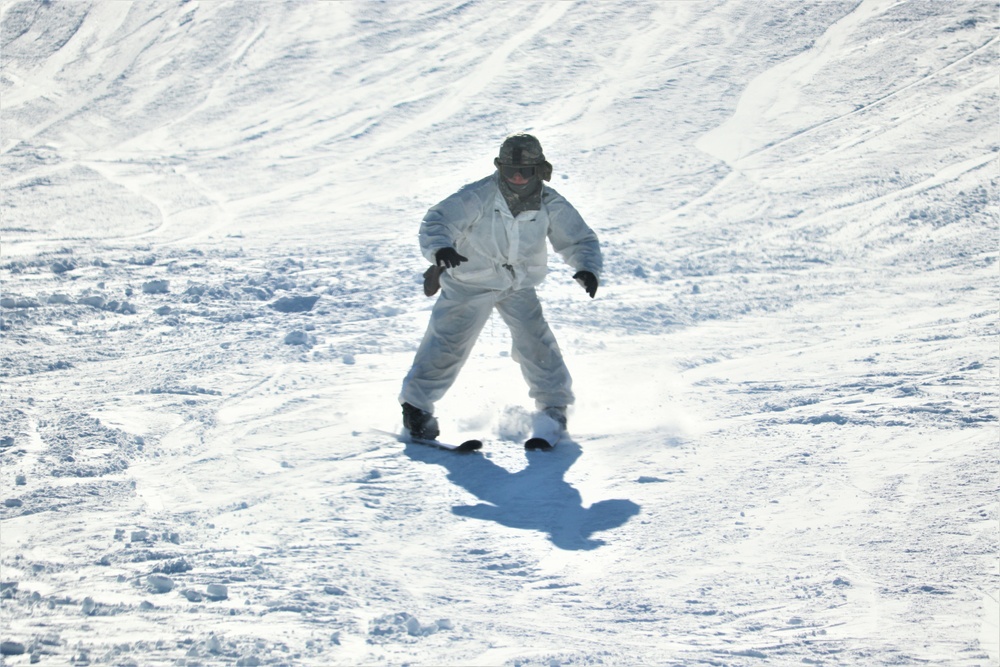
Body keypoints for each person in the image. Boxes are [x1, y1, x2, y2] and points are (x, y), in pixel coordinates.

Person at [399, 133, 602, 442]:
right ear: (499, 168)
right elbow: (437, 221)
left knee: (535, 341)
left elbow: (578, 238)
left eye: (525, 171)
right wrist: (440, 248)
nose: (517, 177)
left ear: (539, 170)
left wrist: (586, 267)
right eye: (509, 170)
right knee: (448, 343)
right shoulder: (478, 196)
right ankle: (416, 409)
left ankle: (553, 409)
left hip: (518, 284)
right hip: (470, 281)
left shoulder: (549, 202)